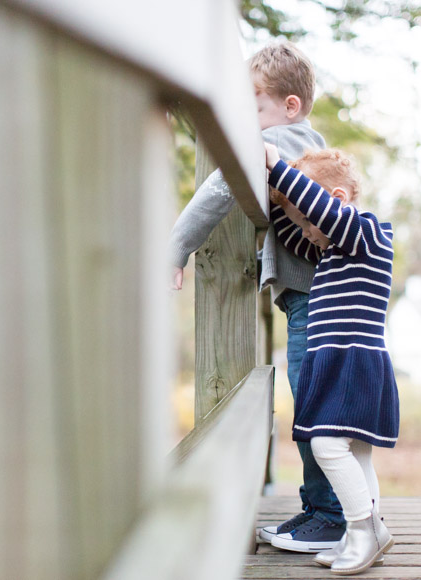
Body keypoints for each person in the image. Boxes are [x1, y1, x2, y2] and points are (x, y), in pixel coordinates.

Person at [169, 41, 346, 553]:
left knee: (314, 407)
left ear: (289, 107)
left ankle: (330, 517)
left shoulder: (284, 142)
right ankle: (319, 508)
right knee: (315, 405)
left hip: (314, 303)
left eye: (255, 107)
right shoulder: (307, 144)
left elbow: (222, 187)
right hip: (315, 300)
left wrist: (175, 248)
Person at [264, 145, 400, 575]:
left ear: (337, 200)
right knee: (356, 452)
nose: (306, 232)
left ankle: (363, 529)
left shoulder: (364, 233)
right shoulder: (335, 251)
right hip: (341, 360)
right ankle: (365, 530)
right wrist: (275, 197)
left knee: (326, 444)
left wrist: (275, 162)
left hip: (353, 361)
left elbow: (320, 210)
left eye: (310, 223)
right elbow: (291, 229)